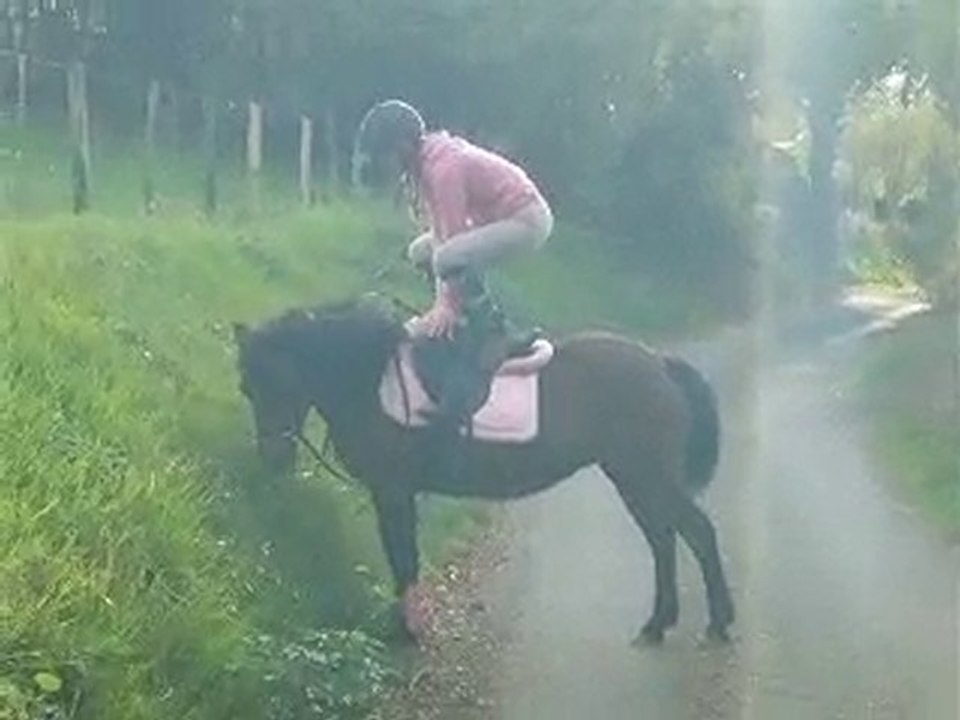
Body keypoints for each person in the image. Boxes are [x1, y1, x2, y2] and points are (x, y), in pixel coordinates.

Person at [352, 99, 553, 431]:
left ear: (403, 146)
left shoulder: (443, 169)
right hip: (497, 219)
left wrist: (446, 304)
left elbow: (451, 238)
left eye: (386, 154)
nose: (384, 164)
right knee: (421, 251)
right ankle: (461, 316)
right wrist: (441, 302)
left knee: (447, 257)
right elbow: (441, 236)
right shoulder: (425, 163)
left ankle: (493, 330)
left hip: (526, 220)